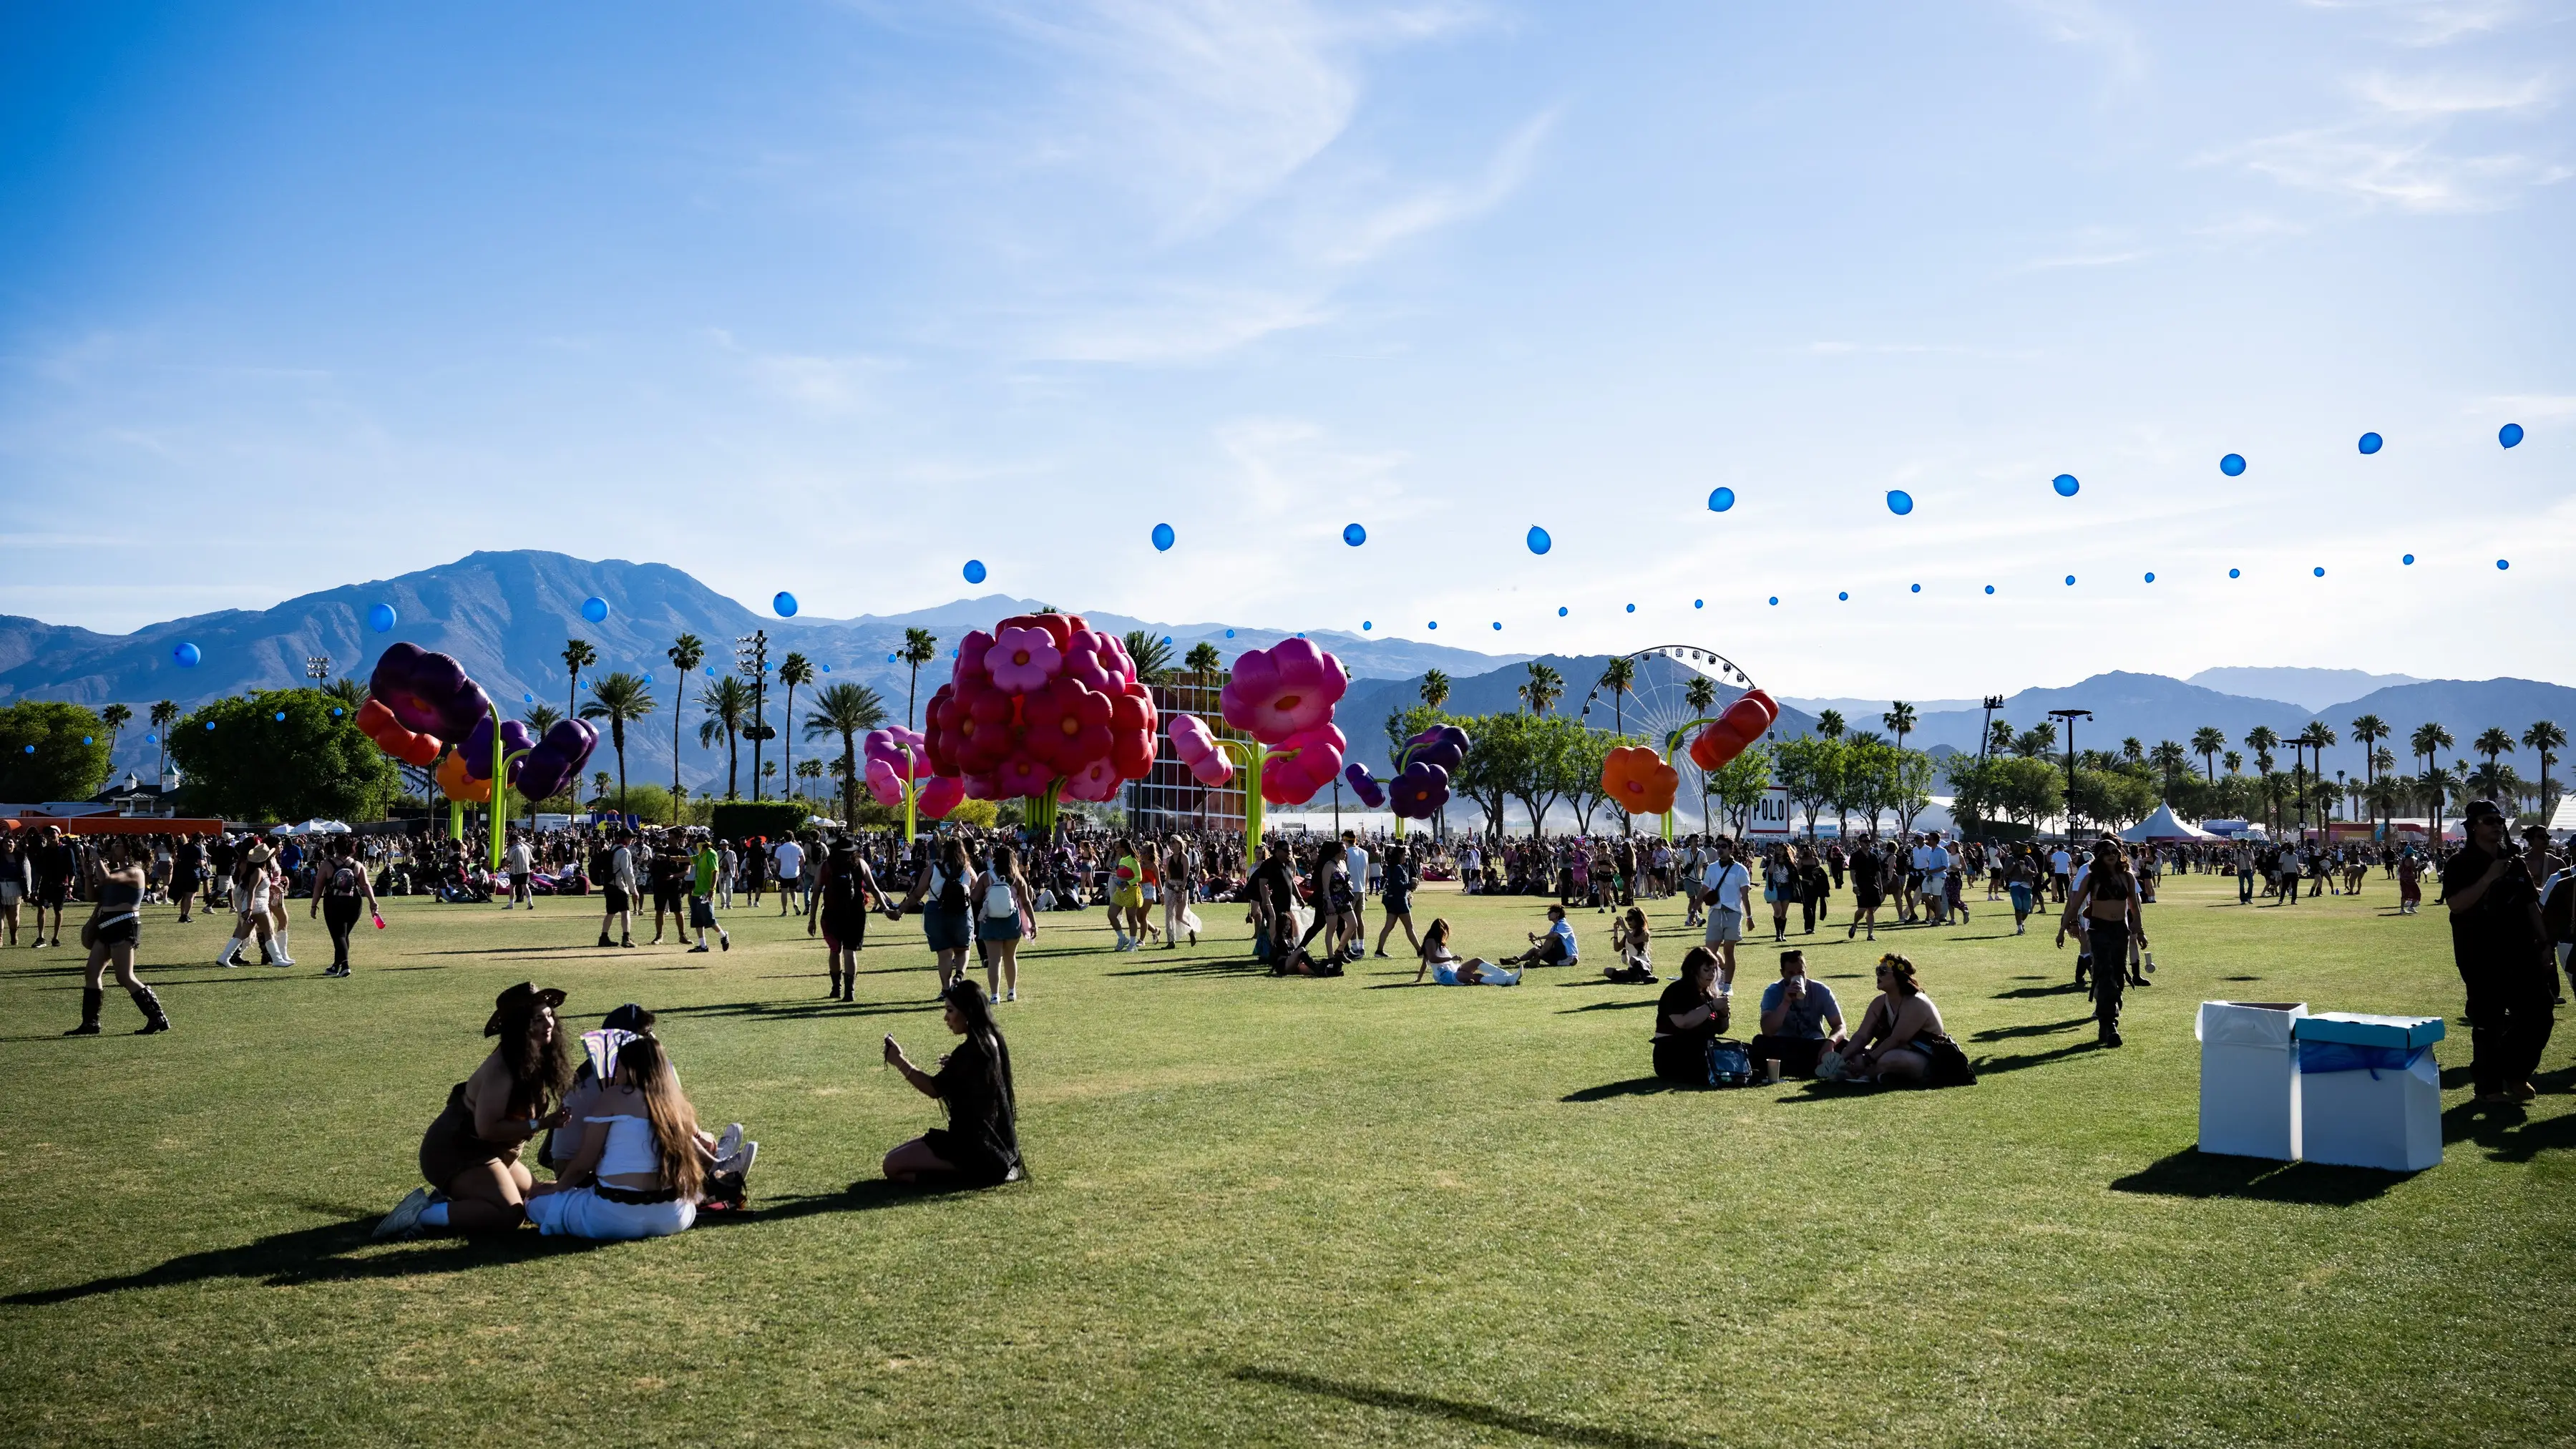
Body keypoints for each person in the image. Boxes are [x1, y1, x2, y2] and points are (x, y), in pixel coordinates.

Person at [374, 982, 575, 1238]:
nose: (548, 1025)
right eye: (538, 1019)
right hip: (456, 1151)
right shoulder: (502, 1070)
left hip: (492, 1151)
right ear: (519, 1026)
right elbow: (488, 1129)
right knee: (509, 1214)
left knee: (532, 1193)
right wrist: (543, 1124)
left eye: (549, 1015)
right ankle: (419, 1215)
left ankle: (459, 1199)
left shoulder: (536, 1055)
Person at [520, 1033, 706, 1241]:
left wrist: (556, 1188)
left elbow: (583, 1163)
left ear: (631, 1069)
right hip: (673, 1217)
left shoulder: (614, 1096)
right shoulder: (677, 1105)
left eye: (618, 1067)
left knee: (535, 1203)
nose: (615, 1073)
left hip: (613, 1215)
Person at [2442, 800, 2555, 1104]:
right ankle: (2488, 1088)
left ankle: (2516, 1073)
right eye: (2489, 819)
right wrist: (2489, 877)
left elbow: (2532, 905)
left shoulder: (2515, 863)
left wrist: (2545, 945)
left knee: (2540, 1014)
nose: (2496, 824)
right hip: (2481, 955)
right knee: (2488, 1022)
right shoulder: (2459, 863)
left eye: (2499, 819)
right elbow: (2456, 904)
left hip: (2523, 952)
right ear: (2474, 826)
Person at [881, 980, 1024, 1187]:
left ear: (967, 1012)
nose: (946, 1017)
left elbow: (933, 1089)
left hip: (972, 1148)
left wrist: (899, 1061)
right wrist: (956, 1066)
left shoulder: (971, 1052)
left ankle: (975, 1176)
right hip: (985, 1143)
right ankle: (980, 1172)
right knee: (894, 1157)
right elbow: (977, 1076)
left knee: (892, 1166)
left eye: (950, 1010)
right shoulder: (990, 1040)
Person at [63, 838, 169, 1035]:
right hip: (106, 927)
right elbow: (93, 896)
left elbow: (106, 880)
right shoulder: (114, 872)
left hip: (124, 926)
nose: (114, 848)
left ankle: (157, 1017)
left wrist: (96, 858)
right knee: (92, 973)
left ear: (129, 851)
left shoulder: (134, 872)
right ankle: (90, 1023)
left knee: (124, 976)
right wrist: (87, 875)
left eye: (119, 845)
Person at [1823, 955, 1953, 1085]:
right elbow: (1862, 1035)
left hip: (1927, 1058)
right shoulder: (1879, 1003)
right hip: (1896, 1052)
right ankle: (1884, 1077)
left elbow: (1896, 1040)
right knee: (1857, 1054)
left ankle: (1865, 1074)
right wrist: (1842, 1058)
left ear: (1898, 976)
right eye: (1877, 971)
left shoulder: (1916, 1002)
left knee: (1888, 1059)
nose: (1878, 975)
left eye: (1883, 971)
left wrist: (1868, 1059)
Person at [892, 836, 979, 995]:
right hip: (961, 913)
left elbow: (918, 893)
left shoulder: (934, 868)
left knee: (944, 953)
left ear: (945, 851)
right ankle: (959, 976)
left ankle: (946, 988)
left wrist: (900, 910)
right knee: (962, 949)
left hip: (936, 912)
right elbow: (977, 889)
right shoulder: (967, 869)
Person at [1752, 949, 1845, 1078]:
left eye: (1801, 972)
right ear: (1782, 973)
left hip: (1814, 1045)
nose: (1797, 977)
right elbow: (1767, 1031)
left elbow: (1840, 1026)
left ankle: (1800, 1068)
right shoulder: (1773, 992)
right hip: (1785, 1046)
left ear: (1806, 970)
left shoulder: (1821, 990)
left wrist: (1831, 1042)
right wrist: (1785, 1002)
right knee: (1759, 1042)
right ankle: (1817, 1068)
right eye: (1791, 973)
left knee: (1846, 1044)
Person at [1651, 947, 1729, 1083]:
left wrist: (1724, 1014)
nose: (1711, 974)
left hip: (1701, 1048)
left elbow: (1721, 1029)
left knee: (1744, 1053)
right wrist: (1711, 1007)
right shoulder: (1676, 991)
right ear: (1693, 971)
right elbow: (1683, 1022)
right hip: (1673, 1053)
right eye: (1706, 970)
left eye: (1714, 970)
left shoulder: (1708, 994)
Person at [309, 838, 379, 977]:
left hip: (333, 902)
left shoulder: (327, 865)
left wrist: (314, 905)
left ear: (336, 847)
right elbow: (365, 885)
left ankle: (345, 965)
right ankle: (336, 966)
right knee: (343, 935)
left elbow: (319, 886)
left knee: (339, 935)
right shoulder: (357, 865)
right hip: (354, 903)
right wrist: (373, 903)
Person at [973, 843, 1034, 1002]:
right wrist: (1033, 923)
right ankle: (1011, 991)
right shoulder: (1018, 878)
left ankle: (994, 995)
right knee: (1010, 957)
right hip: (1011, 921)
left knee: (994, 960)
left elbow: (975, 897)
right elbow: (1026, 902)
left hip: (990, 921)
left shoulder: (986, 877)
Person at [1699, 837, 1750, 990]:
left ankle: (1727, 985)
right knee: (1709, 952)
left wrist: (1749, 917)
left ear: (1731, 848)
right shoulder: (1712, 868)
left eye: (1724, 846)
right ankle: (1706, 984)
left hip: (1733, 914)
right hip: (1715, 912)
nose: (1720, 849)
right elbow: (1704, 890)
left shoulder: (1740, 869)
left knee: (1729, 950)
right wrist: (1694, 908)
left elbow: (1745, 896)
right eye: (1718, 846)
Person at [1414, 917, 1518, 985]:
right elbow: (1432, 959)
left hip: (1453, 970)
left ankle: (1509, 976)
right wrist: (1451, 958)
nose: (1446, 933)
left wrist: (1419, 979)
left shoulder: (1437, 942)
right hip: (1444, 975)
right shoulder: (1430, 941)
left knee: (1477, 961)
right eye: (1445, 930)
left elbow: (1424, 964)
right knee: (1475, 977)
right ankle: (1508, 980)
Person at [29, 824, 77, 949]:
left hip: (61, 885)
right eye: (47, 834)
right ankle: (41, 937)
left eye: (52, 833)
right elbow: (38, 872)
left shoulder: (66, 850)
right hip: (45, 884)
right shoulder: (43, 851)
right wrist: (34, 888)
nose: (49, 836)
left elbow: (72, 871)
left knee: (58, 911)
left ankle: (55, 938)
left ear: (59, 834)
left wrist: (70, 886)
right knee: (42, 908)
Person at [1373, 844, 1421, 957]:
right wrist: (1410, 885)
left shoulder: (1392, 867)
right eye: (1405, 854)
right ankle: (1420, 951)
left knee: (1389, 926)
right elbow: (1398, 884)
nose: (1406, 857)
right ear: (1400, 855)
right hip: (1399, 901)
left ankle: (1379, 951)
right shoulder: (1398, 868)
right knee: (1409, 927)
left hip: (1392, 900)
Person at [687, 833, 731, 953]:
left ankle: (723, 935)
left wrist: (711, 890)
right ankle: (703, 946)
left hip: (706, 892)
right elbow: (687, 859)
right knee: (697, 920)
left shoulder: (711, 853)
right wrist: (670, 857)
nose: (696, 844)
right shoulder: (701, 855)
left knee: (709, 919)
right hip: (697, 892)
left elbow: (715, 871)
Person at [1503, 904, 1579, 968]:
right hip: (1558, 957)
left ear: (1558, 914)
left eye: (1551, 912)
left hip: (1568, 956)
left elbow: (1552, 936)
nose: (1548, 914)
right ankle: (1516, 960)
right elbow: (1547, 947)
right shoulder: (1555, 927)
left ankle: (1536, 960)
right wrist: (1535, 943)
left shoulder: (1564, 925)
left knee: (1551, 938)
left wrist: (1538, 938)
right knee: (1534, 949)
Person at [597, 829, 638, 949]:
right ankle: (626, 938)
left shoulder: (613, 848)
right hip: (620, 886)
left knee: (610, 913)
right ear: (625, 838)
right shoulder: (624, 852)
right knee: (625, 912)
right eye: (630, 837)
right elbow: (628, 872)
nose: (632, 839)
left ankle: (603, 938)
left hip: (609, 885)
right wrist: (633, 889)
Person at [1845, 836, 1885, 942]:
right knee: (1862, 909)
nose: (1868, 843)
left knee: (1871, 911)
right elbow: (1852, 872)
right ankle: (1855, 924)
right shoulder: (1855, 856)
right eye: (1865, 841)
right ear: (1860, 843)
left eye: (1869, 841)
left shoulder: (1874, 856)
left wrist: (1881, 886)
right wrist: (1854, 885)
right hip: (1861, 885)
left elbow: (1878, 873)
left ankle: (1870, 934)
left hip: (1873, 885)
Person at [1604, 905, 1655, 984]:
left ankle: (1648, 976)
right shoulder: (1628, 935)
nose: (1628, 922)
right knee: (1607, 971)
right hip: (1632, 970)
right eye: (1626, 919)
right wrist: (1616, 932)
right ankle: (1636, 978)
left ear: (1638, 919)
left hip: (1645, 966)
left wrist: (1623, 926)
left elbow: (1632, 941)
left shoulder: (1645, 933)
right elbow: (1617, 948)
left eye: (1630, 919)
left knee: (1633, 959)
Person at [773, 834, 805, 916]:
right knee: (793, 890)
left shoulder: (780, 848)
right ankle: (795, 903)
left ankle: (785, 911)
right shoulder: (798, 847)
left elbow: (776, 861)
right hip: (794, 873)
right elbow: (803, 859)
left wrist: (779, 869)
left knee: (784, 892)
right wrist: (798, 865)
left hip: (784, 872)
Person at [502, 829, 534, 909]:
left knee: (512, 886)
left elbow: (508, 861)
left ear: (513, 841)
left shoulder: (513, 849)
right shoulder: (526, 847)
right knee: (526, 886)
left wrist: (503, 863)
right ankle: (530, 903)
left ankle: (511, 904)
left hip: (516, 871)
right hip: (526, 870)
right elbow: (531, 859)